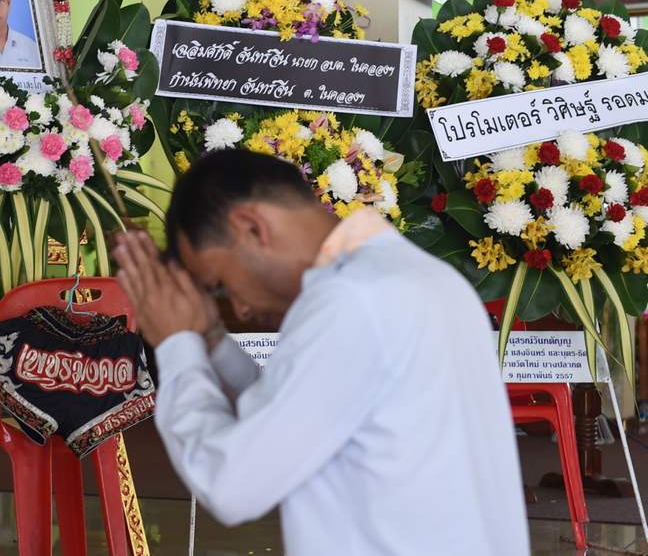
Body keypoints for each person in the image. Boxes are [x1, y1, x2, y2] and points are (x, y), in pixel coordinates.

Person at [112, 150, 529, 555]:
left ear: (253, 228)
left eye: (220, 284)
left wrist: (177, 344)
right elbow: (290, 414)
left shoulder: (351, 300)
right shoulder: (421, 278)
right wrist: (210, 339)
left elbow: (229, 483)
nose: (239, 308)